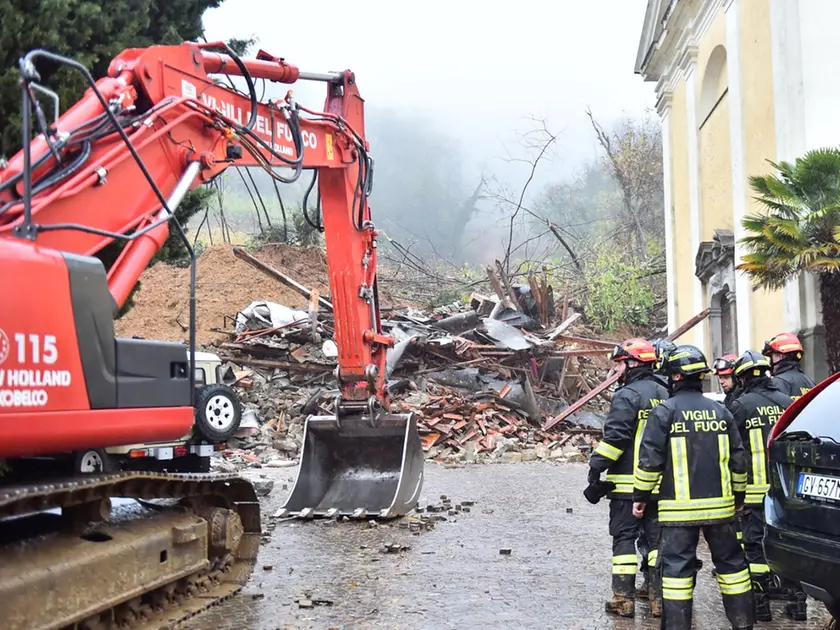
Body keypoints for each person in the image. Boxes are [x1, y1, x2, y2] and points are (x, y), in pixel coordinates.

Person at [633, 344, 754, 630]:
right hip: (722, 510)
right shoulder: (721, 412)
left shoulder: (664, 413)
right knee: (733, 567)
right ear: (701, 377)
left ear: (674, 377)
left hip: (678, 513)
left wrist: (641, 498)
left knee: (676, 572)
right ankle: (743, 623)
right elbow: (739, 460)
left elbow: (649, 462)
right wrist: (738, 497)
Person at [586, 338, 669, 618]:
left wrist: (596, 466)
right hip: (660, 486)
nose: (618, 370)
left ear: (632, 363)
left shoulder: (626, 396)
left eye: (620, 364)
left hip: (627, 486)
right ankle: (659, 600)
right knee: (657, 542)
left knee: (624, 540)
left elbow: (616, 439)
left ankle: (623, 599)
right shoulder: (666, 393)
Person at [727, 350, 794, 621]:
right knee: (786, 543)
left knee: (754, 546)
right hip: (786, 490)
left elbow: (733, 450)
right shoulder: (787, 402)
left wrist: (735, 492)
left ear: (742, 378)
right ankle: (797, 601)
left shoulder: (740, 406)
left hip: (755, 492)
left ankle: (761, 603)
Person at [762, 332, 816, 400]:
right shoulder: (811, 383)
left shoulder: (775, 384)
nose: (770, 362)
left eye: (771, 356)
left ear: (780, 356)